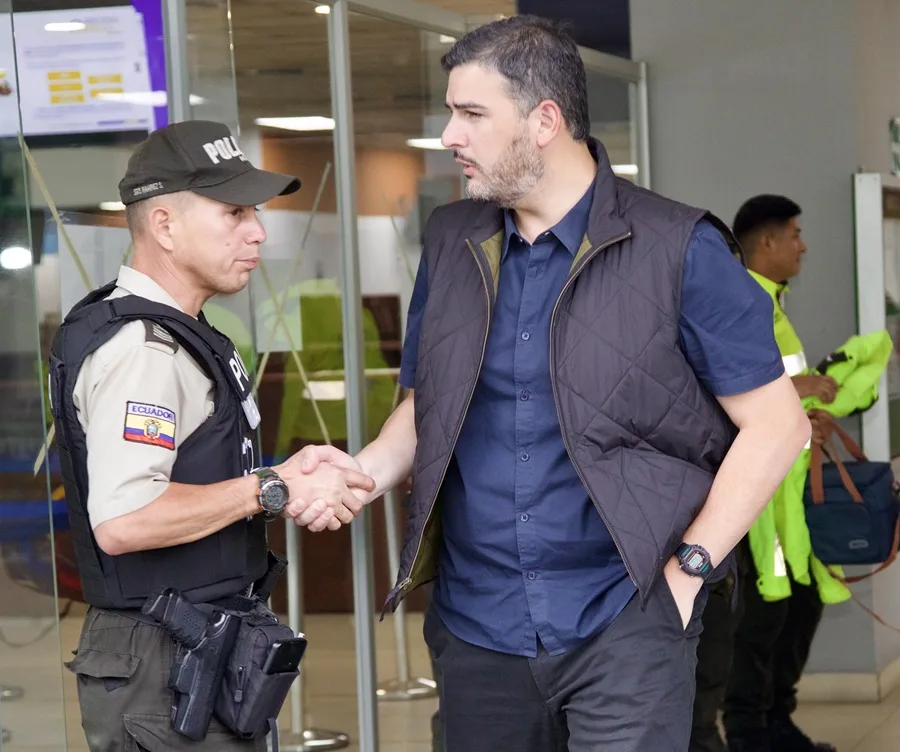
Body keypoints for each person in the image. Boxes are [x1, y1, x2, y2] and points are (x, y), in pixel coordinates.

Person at [299, 16, 810, 752]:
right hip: (476, 625)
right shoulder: (451, 240)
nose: (449, 135)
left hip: (627, 618)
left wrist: (690, 570)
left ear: (545, 120)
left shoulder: (681, 247)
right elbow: (428, 402)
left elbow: (779, 425)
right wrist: (363, 473)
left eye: (472, 114)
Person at [49, 120, 374, 752]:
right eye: (234, 212)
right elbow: (125, 520)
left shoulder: (184, 331)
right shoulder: (142, 351)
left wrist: (285, 479)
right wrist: (271, 488)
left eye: (254, 212)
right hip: (160, 665)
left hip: (198, 649)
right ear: (164, 225)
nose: (257, 231)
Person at [720, 196, 838, 752]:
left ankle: (775, 723)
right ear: (766, 242)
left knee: (799, 606)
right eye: (794, 234)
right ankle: (750, 732)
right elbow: (724, 390)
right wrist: (799, 389)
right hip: (759, 501)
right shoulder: (740, 304)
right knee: (764, 618)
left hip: (789, 495)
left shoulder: (772, 302)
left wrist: (806, 417)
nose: (802, 245)